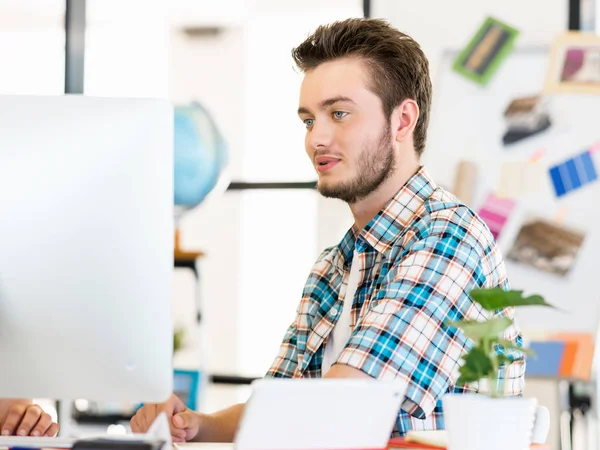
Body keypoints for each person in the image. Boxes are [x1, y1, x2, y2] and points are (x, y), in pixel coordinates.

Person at [131, 17, 525, 440]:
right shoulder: (334, 266)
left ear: (402, 121)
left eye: (339, 113)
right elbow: (281, 404)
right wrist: (196, 426)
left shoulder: (449, 238)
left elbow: (341, 408)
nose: (316, 138)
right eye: (308, 120)